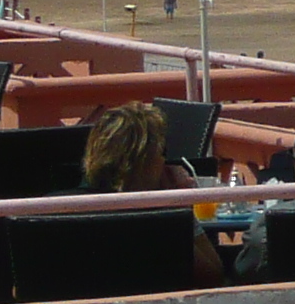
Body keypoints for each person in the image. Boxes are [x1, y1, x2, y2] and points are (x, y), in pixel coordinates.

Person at [81, 101, 226, 286]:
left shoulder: (55, 207)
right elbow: (213, 275)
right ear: (144, 162)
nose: (166, 162)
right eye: (162, 152)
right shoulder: (157, 224)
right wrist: (178, 207)